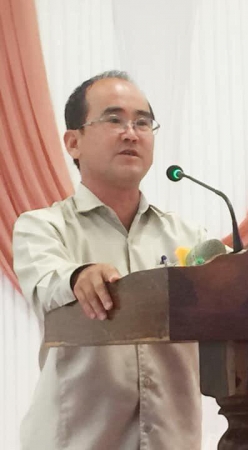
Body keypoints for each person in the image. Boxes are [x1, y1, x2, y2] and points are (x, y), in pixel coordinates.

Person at [13, 71, 206, 450]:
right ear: (73, 143)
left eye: (143, 123)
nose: (131, 133)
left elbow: (234, 295)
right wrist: (79, 277)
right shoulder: (42, 227)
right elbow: (48, 283)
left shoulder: (189, 238)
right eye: (114, 119)